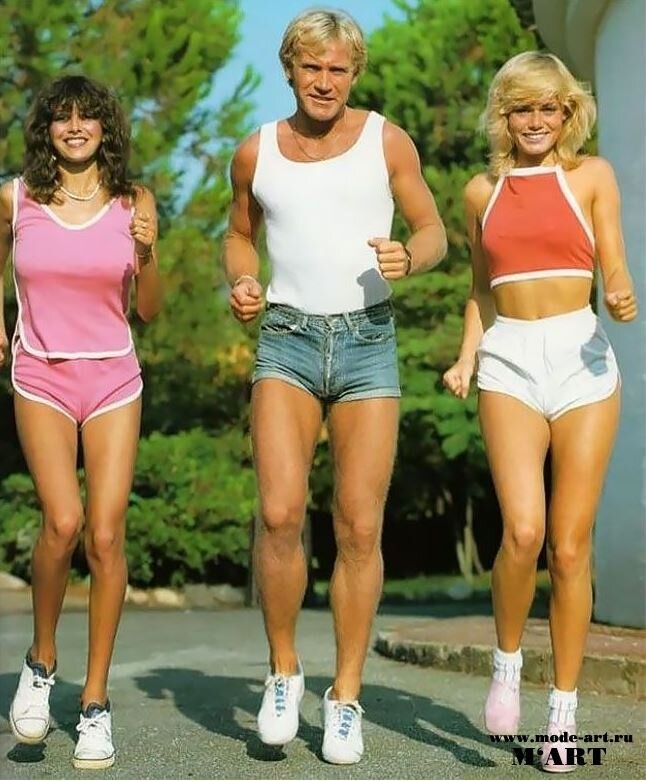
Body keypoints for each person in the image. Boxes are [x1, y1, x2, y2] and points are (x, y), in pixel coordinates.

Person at [223, 8, 446, 765]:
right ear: (291, 68)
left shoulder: (388, 141)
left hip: (367, 343)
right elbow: (239, 233)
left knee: (358, 524)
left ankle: (345, 696)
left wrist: (410, 256)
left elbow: (433, 230)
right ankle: (283, 670)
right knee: (280, 513)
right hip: (285, 339)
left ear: (355, 74)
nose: (325, 81)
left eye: (338, 69)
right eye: (312, 67)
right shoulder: (256, 151)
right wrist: (242, 279)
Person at [443, 52, 637, 772]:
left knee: (570, 546)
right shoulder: (480, 191)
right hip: (510, 361)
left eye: (548, 107)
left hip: (583, 358)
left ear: (567, 113)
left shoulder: (592, 176)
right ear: (504, 115)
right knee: (523, 532)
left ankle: (563, 712)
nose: (535, 120)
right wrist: (466, 357)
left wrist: (619, 291)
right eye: (521, 108)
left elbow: (613, 259)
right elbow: (481, 290)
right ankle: (507, 662)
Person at [0, 75, 162, 769]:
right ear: (46, 130)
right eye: (61, 117)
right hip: (40, 372)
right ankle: (41, 660)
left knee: (104, 533)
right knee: (62, 522)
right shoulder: (14, 198)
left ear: (105, 129)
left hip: (114, 378)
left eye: (87, 117)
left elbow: (149, 309)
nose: (74, 127)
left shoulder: (135, 201)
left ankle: (94, 701)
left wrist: (147, 252)